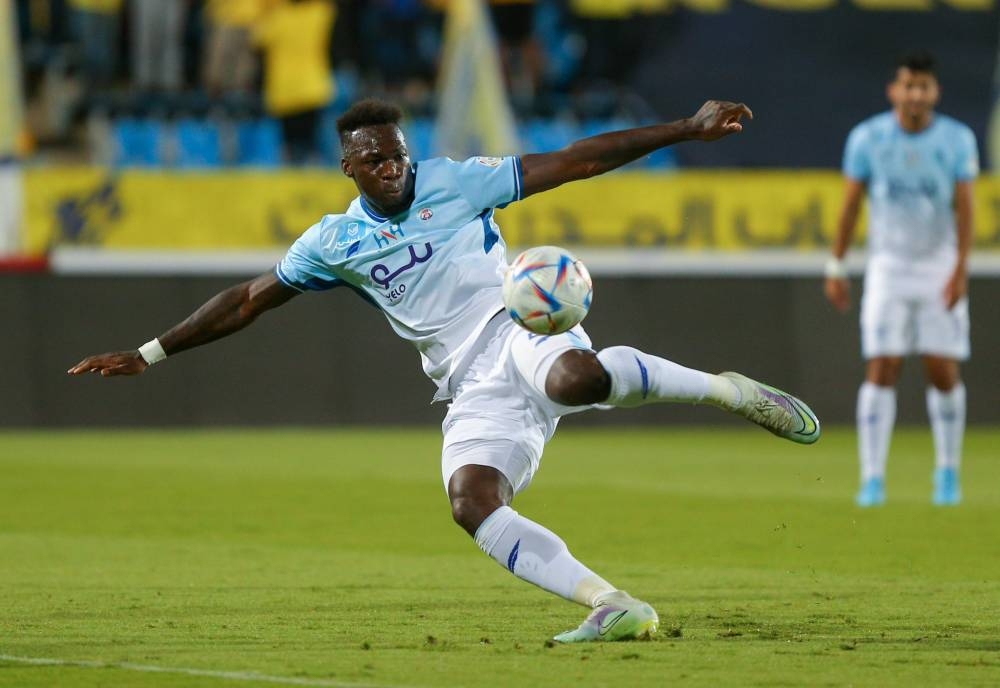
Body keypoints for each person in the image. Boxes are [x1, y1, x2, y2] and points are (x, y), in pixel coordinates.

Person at [69, 98, 820, 642]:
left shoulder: (457, 182)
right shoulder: (332, 242)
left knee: (576, 381)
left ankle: (729, 391)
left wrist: (684, 128)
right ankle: (613, 604)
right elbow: (246, 300)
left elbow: (576, 161)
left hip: (516, 324)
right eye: (375, 159)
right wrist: (149, 352)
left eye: (398, 153)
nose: (392, 167)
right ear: (348, 167)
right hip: (467, 381)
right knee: (472, 503)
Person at [825, 52, 977, 507]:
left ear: (935, 92)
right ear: (894, 91)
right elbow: (851, 205)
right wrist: (836, 265)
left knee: (942, 370)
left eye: (923, 86)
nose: (915, 94)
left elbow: (966, 209)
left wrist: (960, 269)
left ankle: (947, 473)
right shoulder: (868, 138)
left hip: (938, 267)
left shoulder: (957, 139)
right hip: (888, 268)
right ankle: (872, 479)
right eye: (908, 85)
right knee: (882, 367)